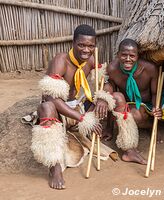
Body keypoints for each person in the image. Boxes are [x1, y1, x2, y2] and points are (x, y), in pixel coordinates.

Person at [31, 24, 113, 190]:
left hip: (76, 106)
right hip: (58, 110)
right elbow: (51, 97)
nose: (86, 50)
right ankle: (54, 168)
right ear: (73, 42)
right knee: (47, 107)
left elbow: (106, 83)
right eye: (81, 45)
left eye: (91, 46)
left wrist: (103, 98)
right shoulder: (61, 61)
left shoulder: (92, 59)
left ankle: (83, 129)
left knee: (103, 98)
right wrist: (81, 118)